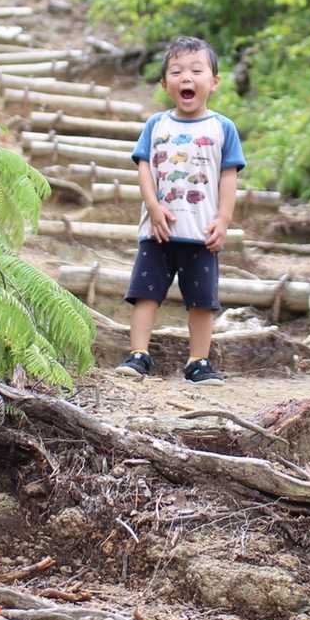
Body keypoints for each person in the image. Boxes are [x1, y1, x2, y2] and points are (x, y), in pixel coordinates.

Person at [113, 36, 244, 385]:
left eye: (197, 71)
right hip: (157, 231)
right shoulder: (156, 125)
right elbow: (144, 168)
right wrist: (153, 207)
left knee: (202, 301)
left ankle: (198, 361)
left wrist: (223, 220)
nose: (187, 77)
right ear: (164, 84)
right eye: (177, 71)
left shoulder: (222, 128)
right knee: (145, 294)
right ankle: (138, 354)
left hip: (201, 234)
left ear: (214, 82)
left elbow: (228, 177)